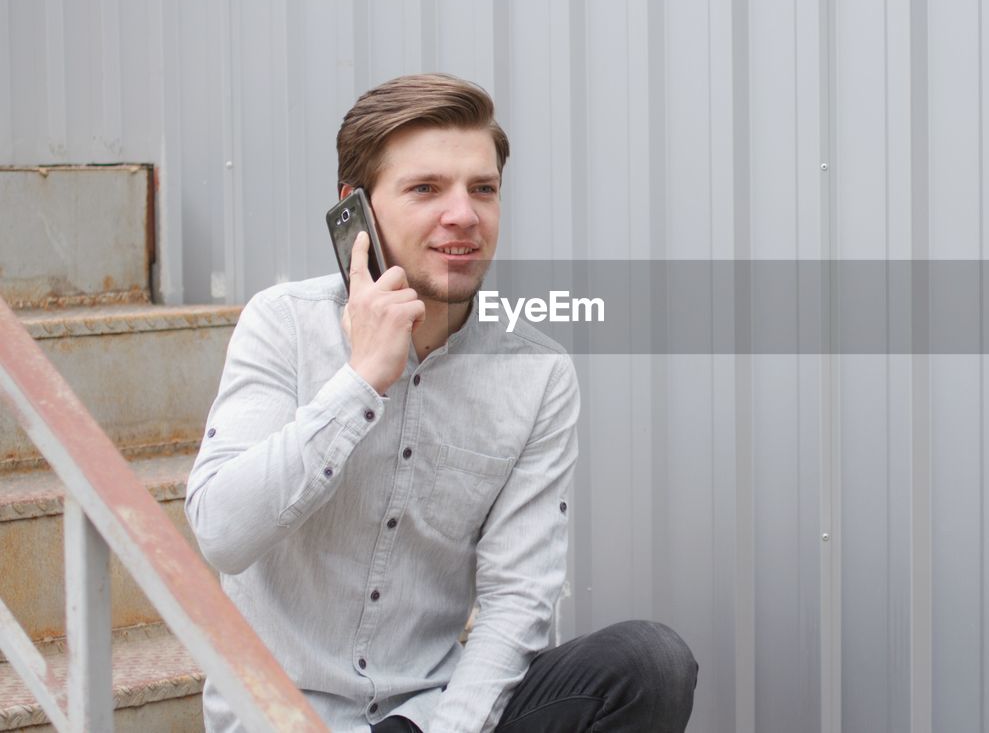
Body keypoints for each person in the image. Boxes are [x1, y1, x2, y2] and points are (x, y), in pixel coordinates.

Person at [186, 73, 697, 732]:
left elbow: (516, 599)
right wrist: (362, 380)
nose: (464, 215)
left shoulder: (536, 373)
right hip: (285, 717)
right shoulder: (282, 324)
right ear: (356, 208)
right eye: (425, 188)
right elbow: (223, 532)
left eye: (482, 189)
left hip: (431, 712)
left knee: (650, 663)